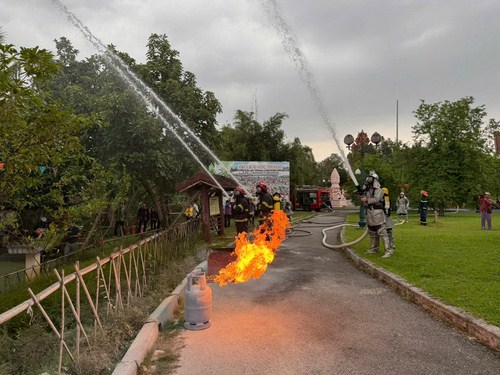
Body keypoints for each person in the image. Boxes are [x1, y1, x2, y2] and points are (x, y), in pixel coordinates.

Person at [358, 172, 393, 258]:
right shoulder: (366, 190)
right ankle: (374, 248)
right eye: (368, 178)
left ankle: (388, 250)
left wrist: (365, 199)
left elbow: (376, 199)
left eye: (370, 178)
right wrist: (360, 196)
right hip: (369, 213)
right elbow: (363, 202)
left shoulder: (379, 190)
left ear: (374, 180)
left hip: (377, 212)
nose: (368, 180)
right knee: (372, 232)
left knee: (381, 231)